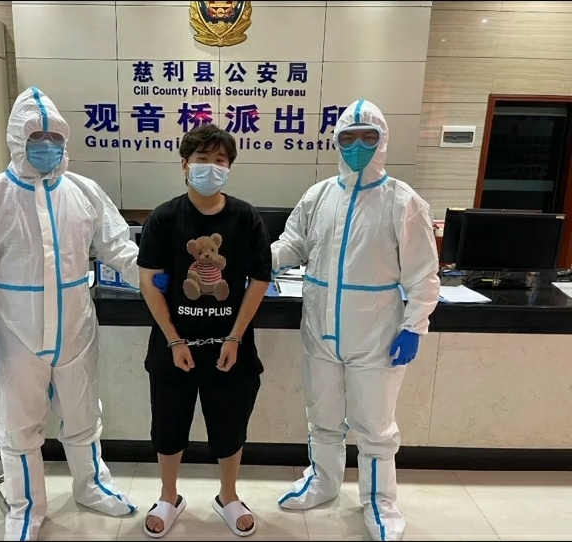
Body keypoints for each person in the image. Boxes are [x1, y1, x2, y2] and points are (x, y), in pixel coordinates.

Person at [0, 87, 159, 541]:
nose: (47, 145)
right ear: (17, 139)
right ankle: (25, 509)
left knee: (83, 415)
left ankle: (92, 487)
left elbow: (116, 244)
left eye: (55, 137)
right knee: (19, 426)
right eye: (36, 136)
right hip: (15, 332)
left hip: (75, 327)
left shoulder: (83, 191)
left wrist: (145, 273)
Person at [272, 99, 440, 541]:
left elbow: (424, 274)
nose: (358, 146)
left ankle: (380, 502)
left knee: (375, 427)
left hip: (376, 334)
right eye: (349, 138)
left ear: (383, 141)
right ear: (336, 142)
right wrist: (249, 261)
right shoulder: (319, 196)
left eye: (369, 137)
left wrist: (414, 325)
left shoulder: (403, 201)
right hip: (320, 331)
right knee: (323, 416)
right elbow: (291, 245)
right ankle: (323, 482)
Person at [138, 123, 272, 538]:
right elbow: (148, 281)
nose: (211, 167)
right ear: (185, 165)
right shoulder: (164, 217)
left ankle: (228, 496)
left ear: (229, 167)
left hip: (230, 346)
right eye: (202, 159)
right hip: (173, 344)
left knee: (230, 425)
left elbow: (259, 280)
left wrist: (235, 336)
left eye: (220, 160)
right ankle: (169, 496)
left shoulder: (246, 218)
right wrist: (174, 339)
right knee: (168, 425)